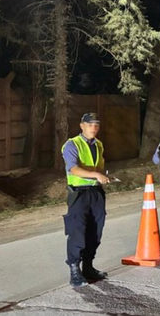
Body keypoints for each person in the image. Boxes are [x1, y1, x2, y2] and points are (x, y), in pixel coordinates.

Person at [60, 112, 110, 288]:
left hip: (96, 194)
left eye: (96, 124)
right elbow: (73, 169)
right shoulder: (72, 144)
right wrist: (96, 174)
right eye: (90, 125)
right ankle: (75, 271)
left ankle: (88, 267)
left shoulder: (99, 145)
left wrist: (103, 176)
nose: (93, 128)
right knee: (77, 232)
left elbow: (99, 167)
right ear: (82, 126)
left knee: (95, 231)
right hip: (79, 195)